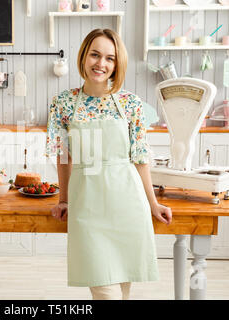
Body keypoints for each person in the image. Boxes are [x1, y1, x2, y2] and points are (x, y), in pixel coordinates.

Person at [45, 29, 173, 300]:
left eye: (109, 58)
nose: (100, 64)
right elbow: (63, 156)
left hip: (128, 205)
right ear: (83, 56)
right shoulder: (63, 103)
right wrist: (64, 199)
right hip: (88, 207)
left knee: (122, 291)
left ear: (117, 64)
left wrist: (153, 203)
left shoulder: (131, 104)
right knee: (106, 292)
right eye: (95, 54)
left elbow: (140, 157)